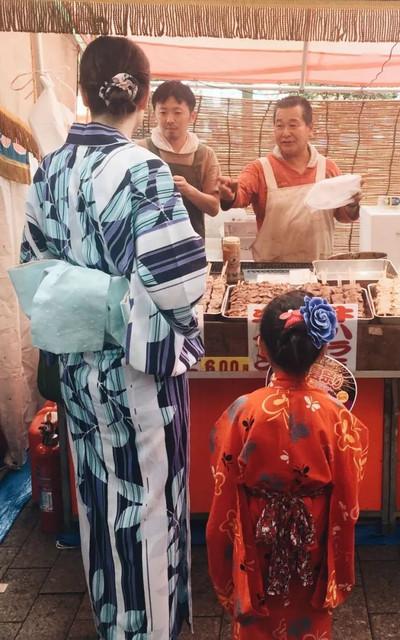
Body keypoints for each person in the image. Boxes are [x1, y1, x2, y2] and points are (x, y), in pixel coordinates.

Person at [18, 36, 206, 639]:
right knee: (147, 505)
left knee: (98, 496)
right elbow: (179, 286)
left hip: (78, 370)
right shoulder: (142, 169)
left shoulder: (50, 170)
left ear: (82, 92)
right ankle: (149, 628)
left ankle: (112, 620)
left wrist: (92, 295)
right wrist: (132, 302)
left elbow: (36, 271)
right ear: (145, 98)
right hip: (136, 374)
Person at [206, 291, 368, 639]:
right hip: (313, 537)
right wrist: (339, 567)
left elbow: (224, 491)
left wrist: (222, 573)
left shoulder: (243, 412)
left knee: (256, 618)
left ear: (261, 346)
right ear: (323, 351)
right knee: (308, 615)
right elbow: (347, 499)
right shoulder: (336, 415)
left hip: (256, 537)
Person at [218, 95, 361, 262]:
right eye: (279, 126)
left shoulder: (327, 168)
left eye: (293, 125)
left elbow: (343, 215)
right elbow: (240, 193)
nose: (285, 133)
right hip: (271, 272)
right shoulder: (260, 168)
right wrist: (230, 196)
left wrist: (352, 204)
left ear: (310, 129)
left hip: (318, 270)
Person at [139, 80, 220, 239]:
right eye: (163, 112)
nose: (169, 119)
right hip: (149, 245)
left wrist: (189, 191)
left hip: (192, 246)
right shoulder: (141, 150)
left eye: (177, 112)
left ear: (192, 116)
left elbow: (214, 207)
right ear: (154, 113)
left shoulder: (205, 155)